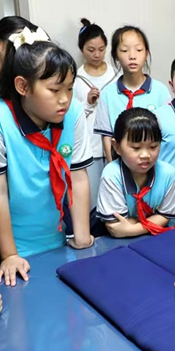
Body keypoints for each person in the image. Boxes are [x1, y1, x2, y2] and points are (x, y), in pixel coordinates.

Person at [0, 29, 94, 287]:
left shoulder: (73, 112)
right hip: (12, 250)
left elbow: (78, 176)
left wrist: (82, 236)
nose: (65, 99)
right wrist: (9, 255)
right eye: (54, 89)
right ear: (22, 86)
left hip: (58, 242)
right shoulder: (1, 119)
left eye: (70, 88)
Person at [96, 108, 175, 237]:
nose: (145, 155)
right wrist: (154, 220)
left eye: (153, 146)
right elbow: (115, 226)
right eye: (136, 148)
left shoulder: (169, 174)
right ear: (116, 147)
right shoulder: (111, 175)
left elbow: (165, 216)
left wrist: (132, 229)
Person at [94, 25, 171, 162]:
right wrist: (114, 169)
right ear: (115, 55)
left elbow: (167, 135)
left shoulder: (161, 91)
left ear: (146, 54)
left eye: (139, 50)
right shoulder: (107, 94)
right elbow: (107, 138)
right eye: (124, 50)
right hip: (119, 166)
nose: (132, 56)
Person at [73, 18, 118, 209]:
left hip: (115, 145)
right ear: (81, 49)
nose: (97, 54)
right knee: (92, 200)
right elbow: (71, 115)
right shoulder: (76, 78)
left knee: (114, 198)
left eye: (101, 49)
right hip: (90, 147)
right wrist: (88, 103)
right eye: (91, 50)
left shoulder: (116, 75)